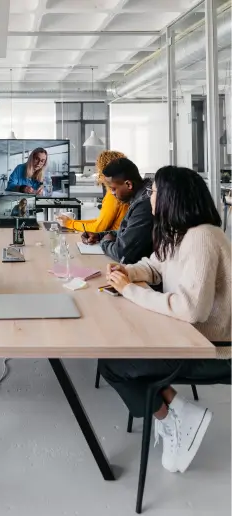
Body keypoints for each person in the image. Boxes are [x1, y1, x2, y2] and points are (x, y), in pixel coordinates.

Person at [99, 166, 231, 474]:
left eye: (155, 192)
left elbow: (191, 310)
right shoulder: (179, 233)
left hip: (214, 350)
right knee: (114, 354)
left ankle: (173, 417)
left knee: (114, 363)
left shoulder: (203, 238)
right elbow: (155, 267)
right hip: (186, 338)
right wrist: (127, 272)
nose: (150, 197)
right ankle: (177, 412)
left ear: (172, 196)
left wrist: (129, 291)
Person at [82, 157, 153, 264]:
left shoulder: (144, 204)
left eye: (113, 188)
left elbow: (123, 254)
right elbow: (130, 231)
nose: (112, 193)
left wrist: (105, 242)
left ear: (128, 184)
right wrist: (99, 236)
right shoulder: (139, 196)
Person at [56, 150, 129, 232]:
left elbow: (98, 228)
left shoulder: (114, 194)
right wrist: (71, 222)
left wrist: (69, 223)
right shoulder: (126, 189)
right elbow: (100, 222)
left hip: (114, 241)